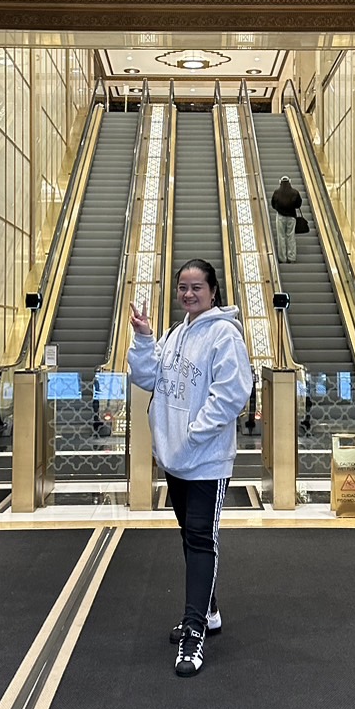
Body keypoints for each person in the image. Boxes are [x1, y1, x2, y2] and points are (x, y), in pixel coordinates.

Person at [128, 259, 254, 677]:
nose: (188, 294)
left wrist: (194, 433)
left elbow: (233, 392)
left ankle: (194, 630)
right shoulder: (175, 334)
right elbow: (148, 379)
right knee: (190, 536)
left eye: (197, 287)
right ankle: (208, 610)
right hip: (176, 457)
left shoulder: (224, 335)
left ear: (213, 291)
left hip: (205, 460)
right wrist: (144, 337)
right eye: (183, 287)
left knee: (201, 539)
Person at [270, 174, 301, 264]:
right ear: (289, 182)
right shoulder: (295, 192)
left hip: (280, 216)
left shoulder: (276, 192)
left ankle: (282, 258)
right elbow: (298, 205)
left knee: (281, 236)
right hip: (291, 217)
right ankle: (292, 257)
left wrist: (280, 209)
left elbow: (273, 204)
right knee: (291, 236)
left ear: (280, 183)